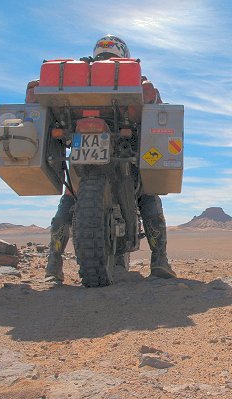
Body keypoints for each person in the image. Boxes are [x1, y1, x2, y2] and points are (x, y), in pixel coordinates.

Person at [28, 34, 176, 284]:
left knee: (68, 201)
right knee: (149, 196)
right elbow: (154, 107)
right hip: (125, 154)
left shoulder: (74, 80)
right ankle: (159, 261)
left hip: (79, 155)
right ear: (124, 54)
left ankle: (53, 264)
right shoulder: (137, 81)